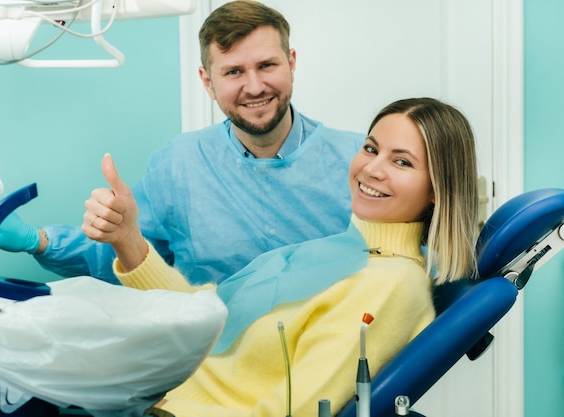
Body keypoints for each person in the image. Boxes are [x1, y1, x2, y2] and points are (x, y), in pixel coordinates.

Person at [82, 97, 479, 417]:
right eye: (371, 148)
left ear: (436, 190)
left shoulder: (389, 285)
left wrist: (172, 409)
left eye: (401, 161)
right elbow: (209, 317)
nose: (371, 169)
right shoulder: (347, 251)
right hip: (160, 386)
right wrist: (127, 239)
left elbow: (294, 411)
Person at [0, 0, 364, 285]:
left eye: (267, 65)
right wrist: (37, 241)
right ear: (207, 82)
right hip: (214, 370)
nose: (254, 86)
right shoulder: (179, 166)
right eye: (233, 72)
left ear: (291, 62)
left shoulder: (359, 163)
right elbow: (123, 254)